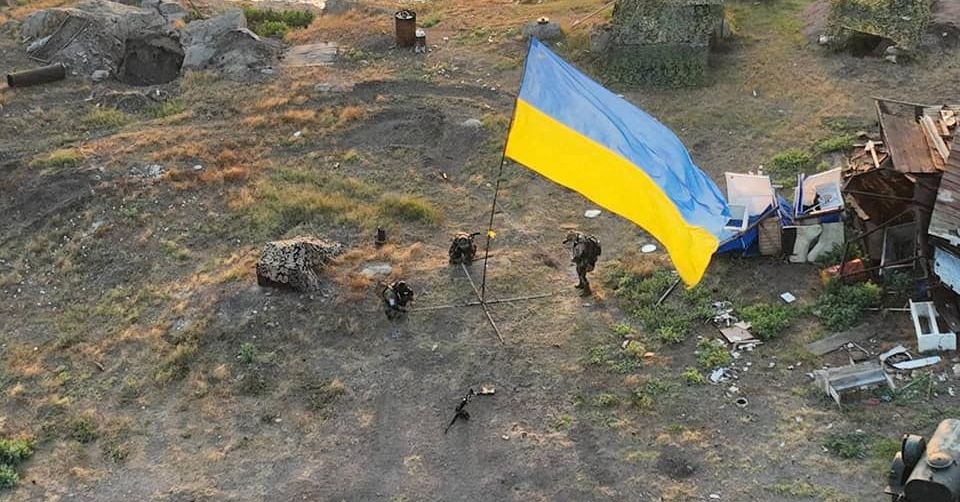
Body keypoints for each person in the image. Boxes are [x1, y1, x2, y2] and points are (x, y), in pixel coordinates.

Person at [563, 231, 601, 295]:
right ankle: (581, 284)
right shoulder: (580, 237)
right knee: (578, 270)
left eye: (570, 240)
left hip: (587, 260)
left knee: (582, 274)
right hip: (586, 258)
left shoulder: (581, 243)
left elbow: (580, 254)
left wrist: (574, 259)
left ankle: (587, 291)